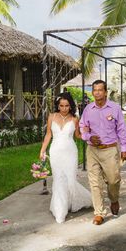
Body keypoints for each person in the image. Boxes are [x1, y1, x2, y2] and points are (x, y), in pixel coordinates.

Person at [79, 80, 126, 225]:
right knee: (95, 182)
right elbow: (83, 127)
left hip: (110, 150)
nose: (97, 93)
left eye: (100, 90)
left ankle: (114, 199)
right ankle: (99, 213)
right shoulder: (88, 109)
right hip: (92, 151)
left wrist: (124, 148)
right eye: (95, 90)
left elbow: (122, 129)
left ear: (106, 92)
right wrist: (88, 137)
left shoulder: (115, 108)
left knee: (113, 180)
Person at [39, 93, 92, 223]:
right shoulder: (51, 116)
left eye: (67, 106)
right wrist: (42, 150)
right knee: (58, 179)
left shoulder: (75, 119)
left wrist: (86, 131)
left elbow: (78, 136)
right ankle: (60, 210)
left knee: (70, 180)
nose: (64, 108)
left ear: (70, 106)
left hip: (70, 152)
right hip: (56, 151)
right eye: (61, 105)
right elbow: (48, 135)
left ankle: (73, 202)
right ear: (58, 105)